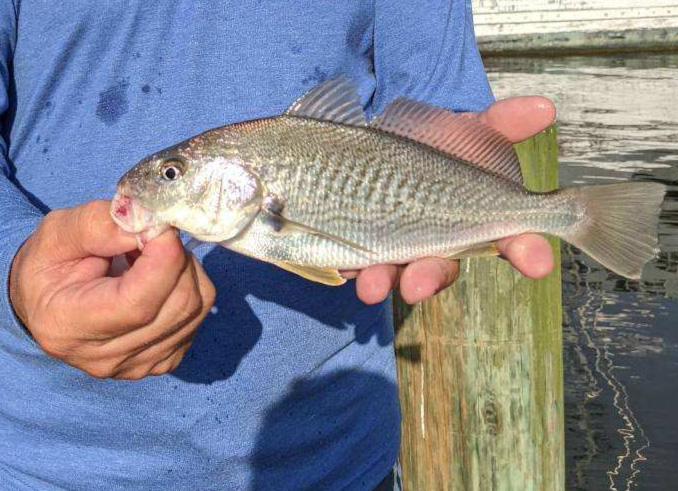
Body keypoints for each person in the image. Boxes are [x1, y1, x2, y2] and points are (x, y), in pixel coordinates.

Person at [0, 2, 555, 490]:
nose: (153, 181)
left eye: (171, 173)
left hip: (339, 459)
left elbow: (434, 105)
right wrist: (16, 265)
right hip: (41, 463)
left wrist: (467, 162)